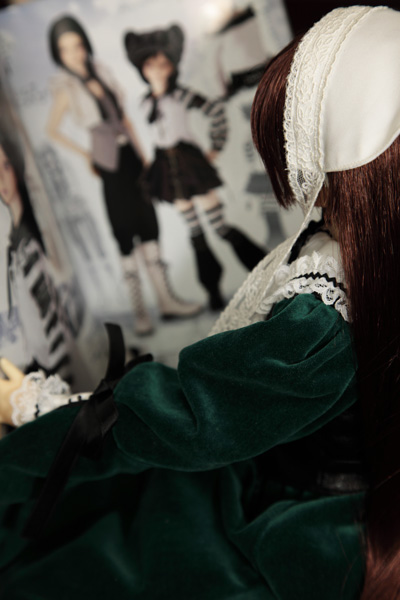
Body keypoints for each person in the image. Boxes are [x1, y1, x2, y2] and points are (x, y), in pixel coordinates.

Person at [1, 5, 399, 598]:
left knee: (84, 553)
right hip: (316, 488)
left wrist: (38, 406)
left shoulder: (319, 321)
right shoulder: (361, 264)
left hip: (292, 522)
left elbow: (191, 418)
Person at [47, 16, 202, 336]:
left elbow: (125, 119)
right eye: (65, 49)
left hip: (130, 156)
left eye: (77, 45)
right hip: (109, 163)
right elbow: (52, 130)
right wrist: (86, 154)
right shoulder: (65, 87)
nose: (74, 54)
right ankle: (140, 311)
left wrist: (143, 156)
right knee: (124, 230)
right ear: (57, 54)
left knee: (148, 222)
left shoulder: (101, 72)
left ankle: (166, 301)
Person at [124, 24, 266, 309]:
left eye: (162, 64)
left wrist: (215, 145)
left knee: (219, 226)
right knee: (195, 233)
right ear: (142, 69)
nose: (156, 71)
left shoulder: (181, 95)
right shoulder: (144, 103)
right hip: (166, 168)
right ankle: (212, 289)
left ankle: (262, 268)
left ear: (171, 67)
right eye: (150, 65)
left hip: (189, 163)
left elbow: (215, 111)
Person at [0, 132, 74, 383]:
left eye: (6, 166)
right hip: (30, 365)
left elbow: (51, 316)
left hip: (53, 362)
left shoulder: (28, 242)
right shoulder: (11, 245)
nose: (2, 178)